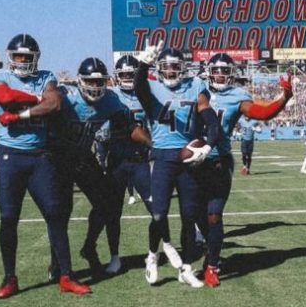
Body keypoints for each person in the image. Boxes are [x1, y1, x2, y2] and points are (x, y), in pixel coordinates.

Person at [0, 33, 90, 299]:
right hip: (11, 155)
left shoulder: (46, 76)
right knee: (9, 218)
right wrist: (36, 100)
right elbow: (5, 97)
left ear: (35, 58)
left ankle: (66, 274)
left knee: (56, 214)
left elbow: (54, 104)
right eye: (18, 56)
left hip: (39, 156)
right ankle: (10, 278)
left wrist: (25, 109)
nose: (22, 61)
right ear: (10, 57)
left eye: (26, 57)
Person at [194, 53, 293, 287]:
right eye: (216, 70)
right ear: (208, 71)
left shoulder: (237, 95)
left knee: (214, 215)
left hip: (219, 160)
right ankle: (210, 250)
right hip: (194, 162)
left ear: (232, 73)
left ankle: (212, 266)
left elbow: (262, 113)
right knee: (195, 215)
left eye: (224, 70)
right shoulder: (196, 88)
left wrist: (285, 97)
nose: (220, 74)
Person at [51, 57, 148, 278]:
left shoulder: (111, 100)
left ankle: (89, 245)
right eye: (90, 82)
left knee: (106, 204)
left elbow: (129, 125)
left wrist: (153, 143)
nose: (95, 87)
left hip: (84, 157)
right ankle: (56, 263)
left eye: (99, 82)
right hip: (60, 160)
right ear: (80, 81)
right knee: (60, 213)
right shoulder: (66, 97)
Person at [133, 41, 218, 288]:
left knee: (188, 216)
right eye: (166, 67)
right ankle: (152, 255)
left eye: (175, 67)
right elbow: (138, 87)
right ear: (159, 68)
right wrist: (143, 64)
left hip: (186, 159)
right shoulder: (151, 86)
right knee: (158, 214)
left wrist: (208, 144)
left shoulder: (195, 87)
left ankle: (186, 268)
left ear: (183, 68)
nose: (170, 71)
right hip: (161, 157)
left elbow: (208, 114)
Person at [107, 54, 153, 241]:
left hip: (140, 159)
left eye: (130, 75)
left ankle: (157, 250)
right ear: (117, 76)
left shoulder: (146, 93)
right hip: (117, 159)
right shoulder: (110, 95)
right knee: (112, 211)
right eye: (123, 75)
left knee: (156, 208)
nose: (127, 78)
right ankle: (115, 255)